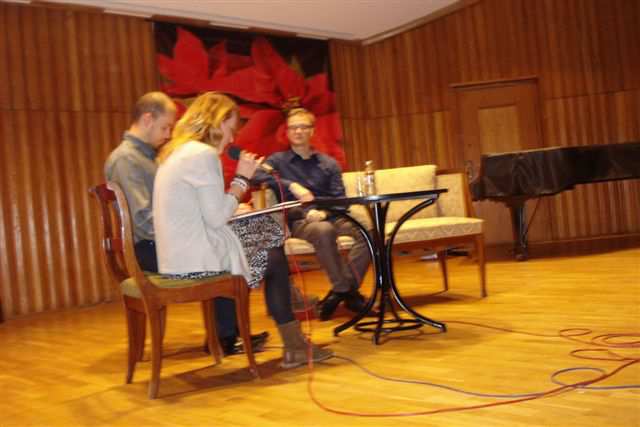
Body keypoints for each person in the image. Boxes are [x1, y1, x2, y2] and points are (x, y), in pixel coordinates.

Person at [153, 92, 333, 368]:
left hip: (177, 256)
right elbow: (217, 218)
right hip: (195, 263)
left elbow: (203, 211)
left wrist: (234, 208)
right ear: (218, 122)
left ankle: (294, 332)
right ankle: (294, 339)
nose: (232, 139)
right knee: (273, 255)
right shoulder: (202, 154)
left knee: (268, 236)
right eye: (231, 129)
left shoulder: (179, 151)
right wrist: (241, 179)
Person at [104, 91, 266, 356]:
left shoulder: (166, 154)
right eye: (165, 127)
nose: (169, 134)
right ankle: (233, 334)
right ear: (147, 119)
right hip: (155, 247)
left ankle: (230, 332)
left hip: (169, 244)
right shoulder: (127, 159)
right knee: (257, 243)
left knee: (246, 240)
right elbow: (144, 219)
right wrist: (238, 184)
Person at [252, 108, 370, 320]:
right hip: (300, 219)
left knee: (369, 231)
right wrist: (292, 185)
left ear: (312, 131)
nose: (298, 131)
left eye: (303, 127)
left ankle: (342, 290)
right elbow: (255, 174)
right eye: (293, 127)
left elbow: (340, 200)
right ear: (287, 132)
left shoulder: (329, 163)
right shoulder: (278, 161)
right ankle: (347, 292)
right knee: (323, 230)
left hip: (331, 215)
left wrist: (323, 212)